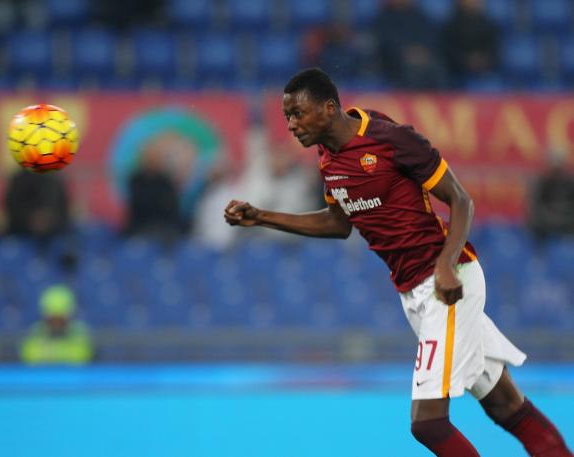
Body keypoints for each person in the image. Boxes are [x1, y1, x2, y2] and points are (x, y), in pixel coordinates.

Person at [223, 68, 572, 456]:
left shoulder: (392, 140)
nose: (290, 125)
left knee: (427, 424)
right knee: (506, 406)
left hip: (448, 282)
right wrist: (263, 217)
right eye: (287, 116)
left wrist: (445, 265)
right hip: (413, 293)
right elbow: (338, 225)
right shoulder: (328, 159)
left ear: (328, 108)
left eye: (298, 114)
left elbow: (461, 200)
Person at [20, 285, 93, 364]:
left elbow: (81, 357)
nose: (57, 325)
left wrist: (49, 352)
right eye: (53, 320)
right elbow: (30, 356)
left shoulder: (80, 332)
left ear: (69, 318)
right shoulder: (35, 332)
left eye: (61, 320)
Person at [442, 0, 499, 86]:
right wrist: (467, 61)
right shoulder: (451, 25)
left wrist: (482, 61)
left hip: (484, 71)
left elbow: (494, 52)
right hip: (458, 72)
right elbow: (448, 52)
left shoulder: (489, 25)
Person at [528, 150, 574, 243]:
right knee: (535, 225)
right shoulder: (541, 182)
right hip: (545, 221)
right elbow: (535, 205)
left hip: (567, 220)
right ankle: (540, 255)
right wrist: (550, 216)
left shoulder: (570, 183)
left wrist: (564, 215)